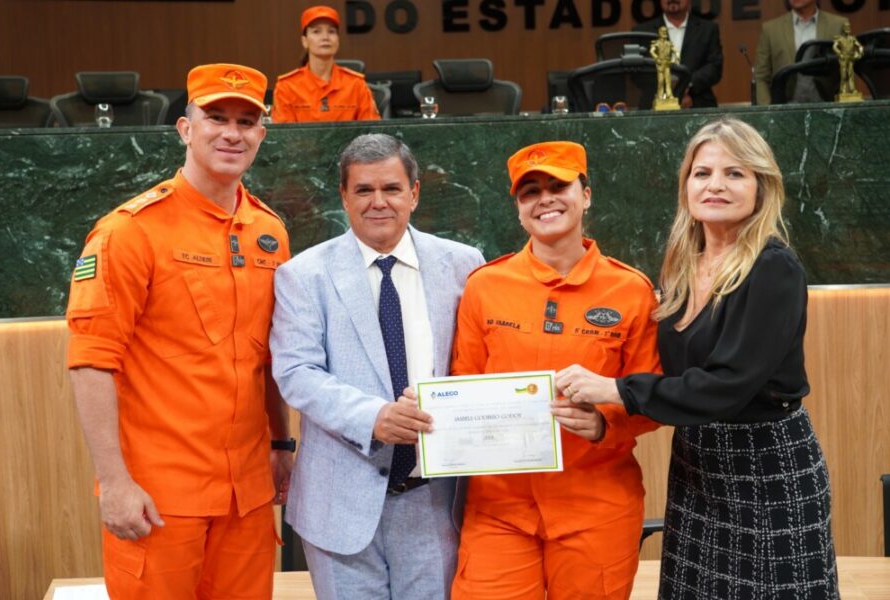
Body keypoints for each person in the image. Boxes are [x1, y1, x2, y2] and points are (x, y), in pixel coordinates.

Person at [556, 118, 839, 599]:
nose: (716, 185)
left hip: (766, 467)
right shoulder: (682, 268)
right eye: (702, 173)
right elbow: (667, 367)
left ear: (761, 186)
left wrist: (616, 390)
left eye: (735, 173)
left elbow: (726, 384)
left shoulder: (773, 266)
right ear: (686, 184)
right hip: (698, 466)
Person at [66, 63, 293, 598]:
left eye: (247, 120)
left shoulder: (270, 231)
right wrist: (115, 484)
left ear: (261, 134)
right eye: (216, 117)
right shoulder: (130, 231)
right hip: (160, 498)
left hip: (248, 497)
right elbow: (91, 360)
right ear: (186, 129)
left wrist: (282, 441)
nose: (232, 133)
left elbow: (272, 354)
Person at [270, 133, 484, 599]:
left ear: (414, 192)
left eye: (391, 188)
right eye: (363, 190)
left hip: (434, 501)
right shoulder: (302, 275)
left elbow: (482, 367)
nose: (378, 202)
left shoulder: (465, 266)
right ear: (344, 196)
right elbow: (295, 372)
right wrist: (374, 417)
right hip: (339, 503)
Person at [450, 141, 661, 600]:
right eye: (530, 192)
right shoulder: (485, 286)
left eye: (557, 185)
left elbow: (652, 396)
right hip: (499, 508)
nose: (544, 198)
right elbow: (462, 387)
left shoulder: (631, 291)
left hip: (596, 505)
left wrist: (606, 423)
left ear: (586, 194)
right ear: (519, 210)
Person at [272, 5, 380, 123]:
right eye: (316, 31)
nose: (325, 37)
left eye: (331, 31)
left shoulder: (356, 85)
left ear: (338, 40)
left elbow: (372, 133)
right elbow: (285, 138)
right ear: (305, 41)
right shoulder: (287, 87)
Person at [755, 0, 848, 104]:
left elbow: (847, 71)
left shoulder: (838, 25)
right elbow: (761, 76)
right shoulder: (771, 29)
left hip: (828, 107)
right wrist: (767, 111)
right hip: (784, 109)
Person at [634, 0, 723, 108]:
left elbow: (715, 67)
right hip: (653, 105)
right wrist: (667, 86)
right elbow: (637, 71)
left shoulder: (708, 29)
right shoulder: (641, 31)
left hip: (699, 103)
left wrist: (686, 85)